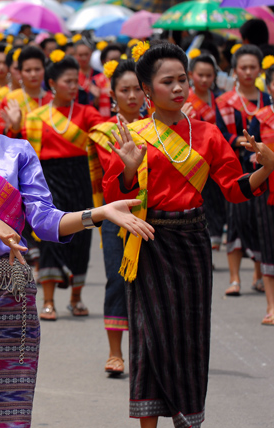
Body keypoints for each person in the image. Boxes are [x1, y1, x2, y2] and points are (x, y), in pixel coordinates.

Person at [0, 27, 154, 428]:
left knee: (9, 414)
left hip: (11, 300)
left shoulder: (17, 153)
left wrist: (99, 212)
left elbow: (45, 221)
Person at [103, 41, 274, 428]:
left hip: (193, 243)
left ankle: (188, 418)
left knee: (190, 338)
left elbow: (233, 188)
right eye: (168, 81)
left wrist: (267, 167)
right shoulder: (134, 135)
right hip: (149, 242)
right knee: (149, 338)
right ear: (147, 89)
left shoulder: (209, 134)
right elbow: (116, 199)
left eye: (182, 79)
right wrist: (129, 170)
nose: (179, 88)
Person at [22, 52, 106, 319]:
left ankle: (76, 298)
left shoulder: (87, 112)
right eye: (68, 81)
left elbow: (107, 133)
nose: (73, 86)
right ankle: (48, 300)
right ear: (52, 83)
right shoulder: (36, 117)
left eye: (76, 81)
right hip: (49, 180)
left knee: (82, 236)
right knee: (49, 236)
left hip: (80, 178)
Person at [88, 58, 145, 374]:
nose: (132, 96)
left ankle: (148, 349)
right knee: (117, 278)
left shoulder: (161, 127)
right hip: (116, 215)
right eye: (125, 89)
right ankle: (115, 352)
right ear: (113, 94)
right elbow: (112, 179)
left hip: (153, 215)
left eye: (138, 89)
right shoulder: (104, 132)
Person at [216, 44, 269, 295]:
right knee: (236, 218)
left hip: (264, 166)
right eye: (243, 67)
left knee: (261, 221)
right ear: (234, 70)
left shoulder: (267, 99)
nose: (248, 71)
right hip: (235, 164)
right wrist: (244, 142)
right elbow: (220, 133)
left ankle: (259, 274)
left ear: (259, 70)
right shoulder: (225, 102)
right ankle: (235, 278)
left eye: (253, 67)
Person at [188, 53, 227, 250]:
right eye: (200, 75)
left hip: (217, 156)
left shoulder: (220, 99)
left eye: (208, 75)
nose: (204, 79)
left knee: (219, 199)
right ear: (191, 75)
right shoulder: (184, 100)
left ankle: (215, 237)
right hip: (193, 160)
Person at [247, 60, 274, 324]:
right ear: (269, 86)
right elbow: (251, 150)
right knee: (269, 244)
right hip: (269, 190)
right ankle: (271, 305)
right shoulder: (261, 117)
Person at [0, 46, 53, 137]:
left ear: (44, 70)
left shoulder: (53, 101)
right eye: (28, 70)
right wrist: (14, 127)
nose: (33, 74)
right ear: (20, 72)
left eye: (37, 69)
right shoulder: (11, 100)